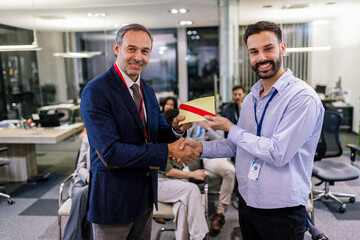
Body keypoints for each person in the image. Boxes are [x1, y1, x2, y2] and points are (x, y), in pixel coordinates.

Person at [182, 21, 324, 240]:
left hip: (281, 208)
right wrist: (200, 148)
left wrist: (230, 127)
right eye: (254, 52)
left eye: (268, 48)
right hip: (249, 202)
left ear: (282, 48)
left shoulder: (301, 98)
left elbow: (278, 152)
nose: (261, 58)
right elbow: (237, 144)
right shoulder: (251, 98)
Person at [80, 23, 198, 240]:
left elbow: (157, 132)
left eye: (145, 51)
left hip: (145, 197)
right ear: (117, 49)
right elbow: (110, 152)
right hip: (114, 201)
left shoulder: (148, 90)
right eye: (131, 49)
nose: (138, 57)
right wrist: (167, 151)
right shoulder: (96, 90)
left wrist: (176, 130)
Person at [157, 109, 209, 240]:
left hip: (175, 186)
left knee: (182, 206)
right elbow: (168, 172)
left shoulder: (180, 142)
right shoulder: (163, 143)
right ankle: (199, 237)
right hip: (160, 183)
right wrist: (192, 174)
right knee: (191, 189)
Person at [186, 120, 235, 233]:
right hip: (199, 157)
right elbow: (186, 140)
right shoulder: (190, 121)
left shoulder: (216, 120)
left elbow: (222, 141)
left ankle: (220, 213)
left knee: (230, 170)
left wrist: (208, 128)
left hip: (216, 155)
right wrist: (203, 141)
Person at [63, 134, 92, 240]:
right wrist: (88, 178)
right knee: (81, 194)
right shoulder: (88, 138)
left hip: (99, 184)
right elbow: (80, 166)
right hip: (82, 180)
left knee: (89, 209)